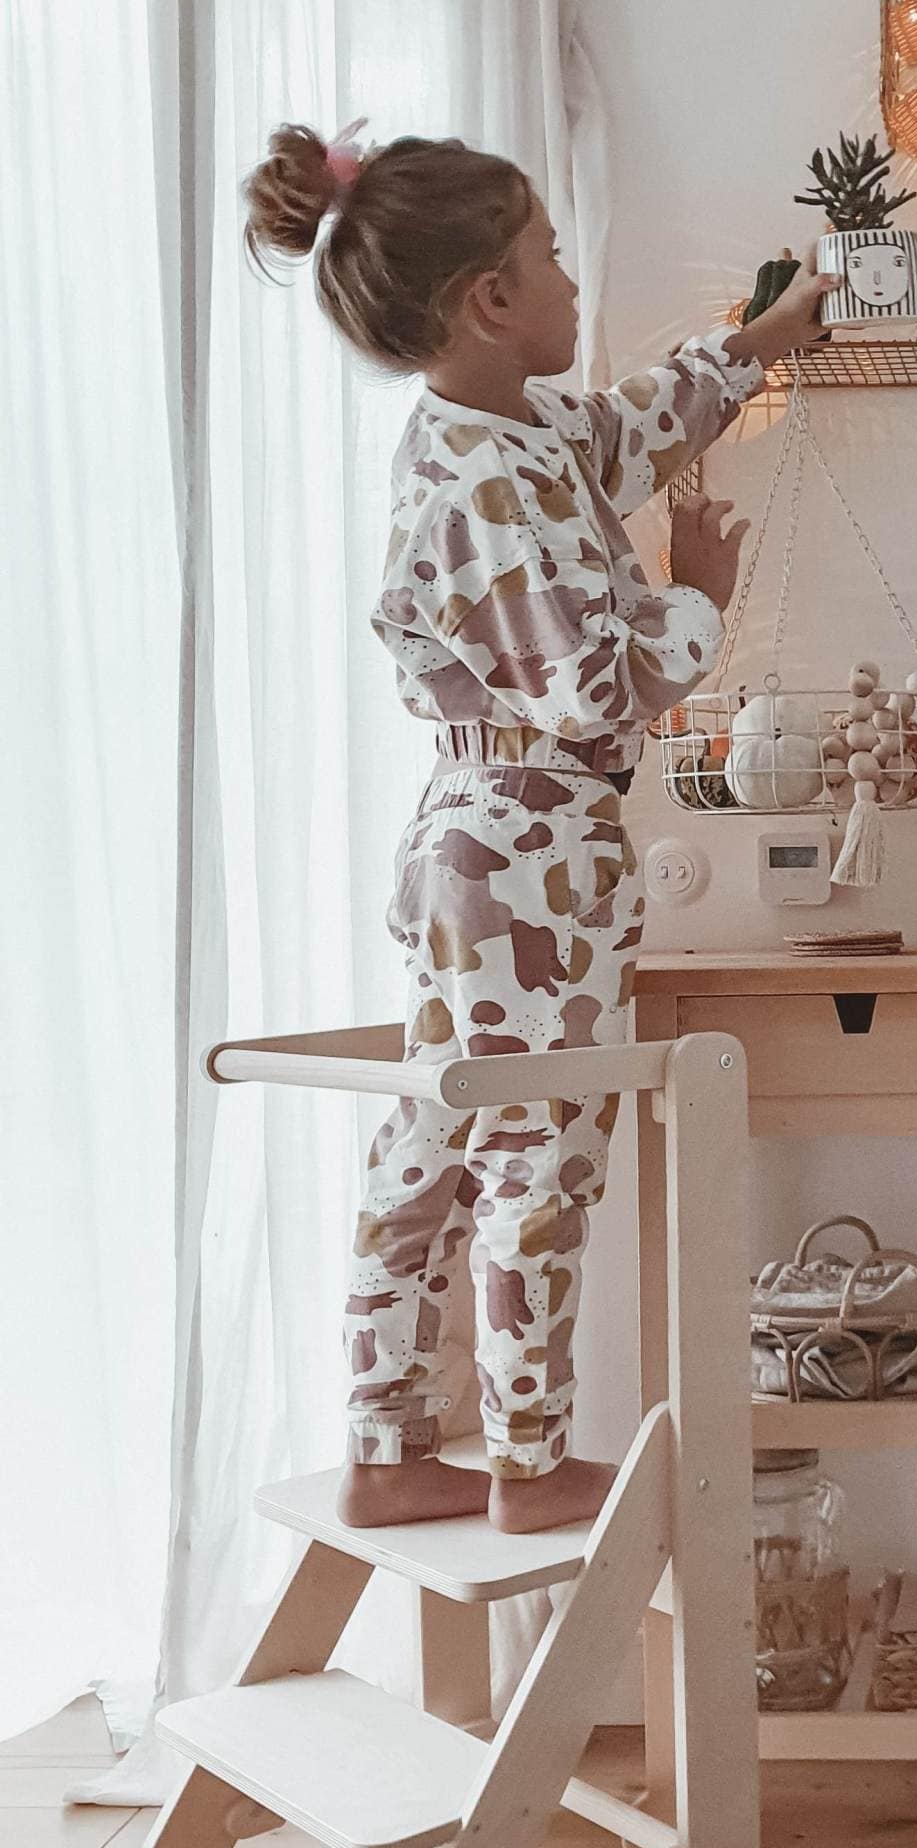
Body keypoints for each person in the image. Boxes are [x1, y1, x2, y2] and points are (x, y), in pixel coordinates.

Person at [242, 122, 834, 1532]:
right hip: (530, 846)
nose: (572, 284)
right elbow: (592, 691)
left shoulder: (516, 433)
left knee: (436, 1140)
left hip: (488, 837)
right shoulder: (482, 483)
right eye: (551, 261)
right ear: (490, 304)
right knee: (534, 1150)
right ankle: (523, 1455)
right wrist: (695, 593)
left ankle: (389, 1444)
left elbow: (631, 423)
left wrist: (756, 341)